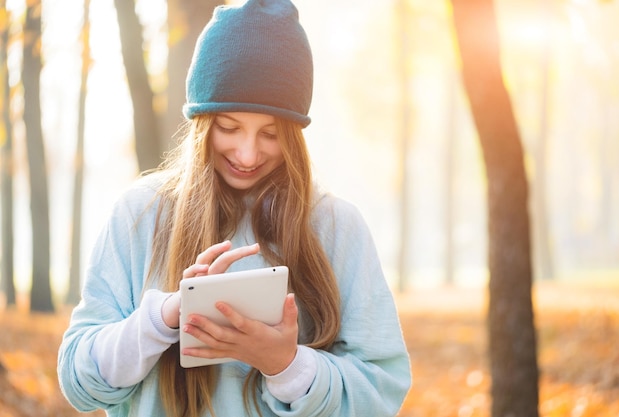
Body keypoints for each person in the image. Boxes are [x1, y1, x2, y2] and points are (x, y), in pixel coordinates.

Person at [57, 1, 411, 416]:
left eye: (271, 134)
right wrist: (165, 316)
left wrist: (286, 366)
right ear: (202, 124)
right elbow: (80, 383)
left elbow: (381, 391)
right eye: (228, 128)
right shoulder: (142, 212)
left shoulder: (336, 225)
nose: (247, 153)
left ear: (296, 136)